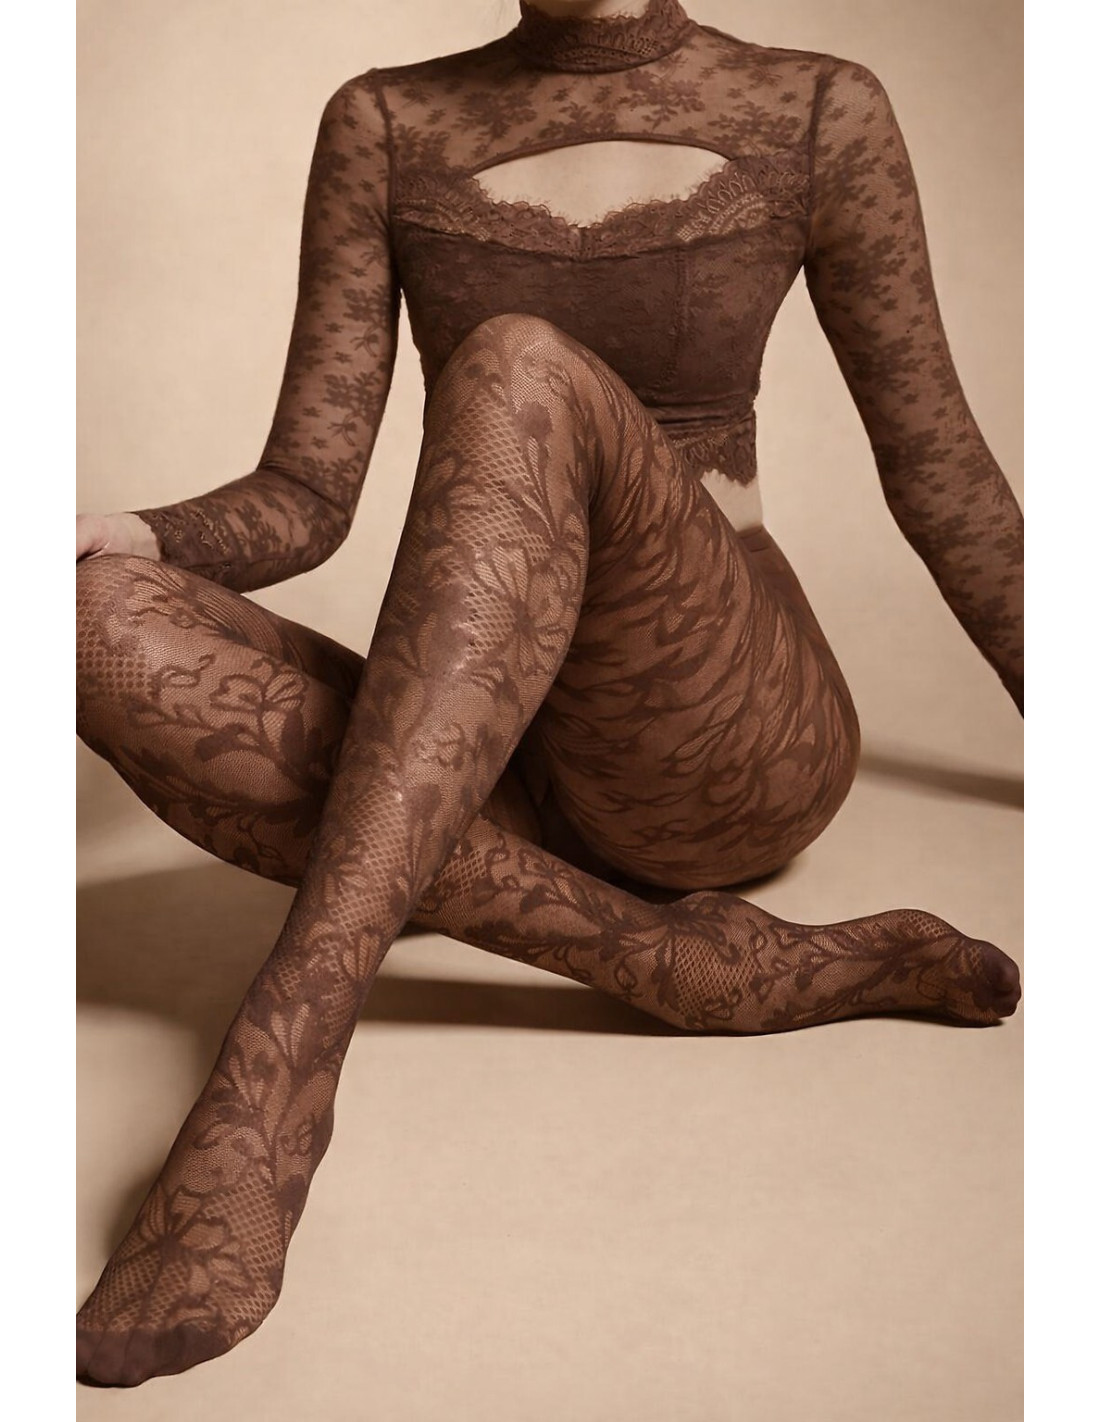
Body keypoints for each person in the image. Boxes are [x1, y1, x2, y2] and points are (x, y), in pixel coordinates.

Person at [74, 0, 1023, 1387]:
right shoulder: (384, 122)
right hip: (480, 747)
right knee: (84, 618)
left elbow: (940, 472)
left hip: (721, 730)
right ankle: (683, 965)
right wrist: (137, 535)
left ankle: (283, 1056)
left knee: (517, 364)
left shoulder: (818, 107)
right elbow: (308, 494)